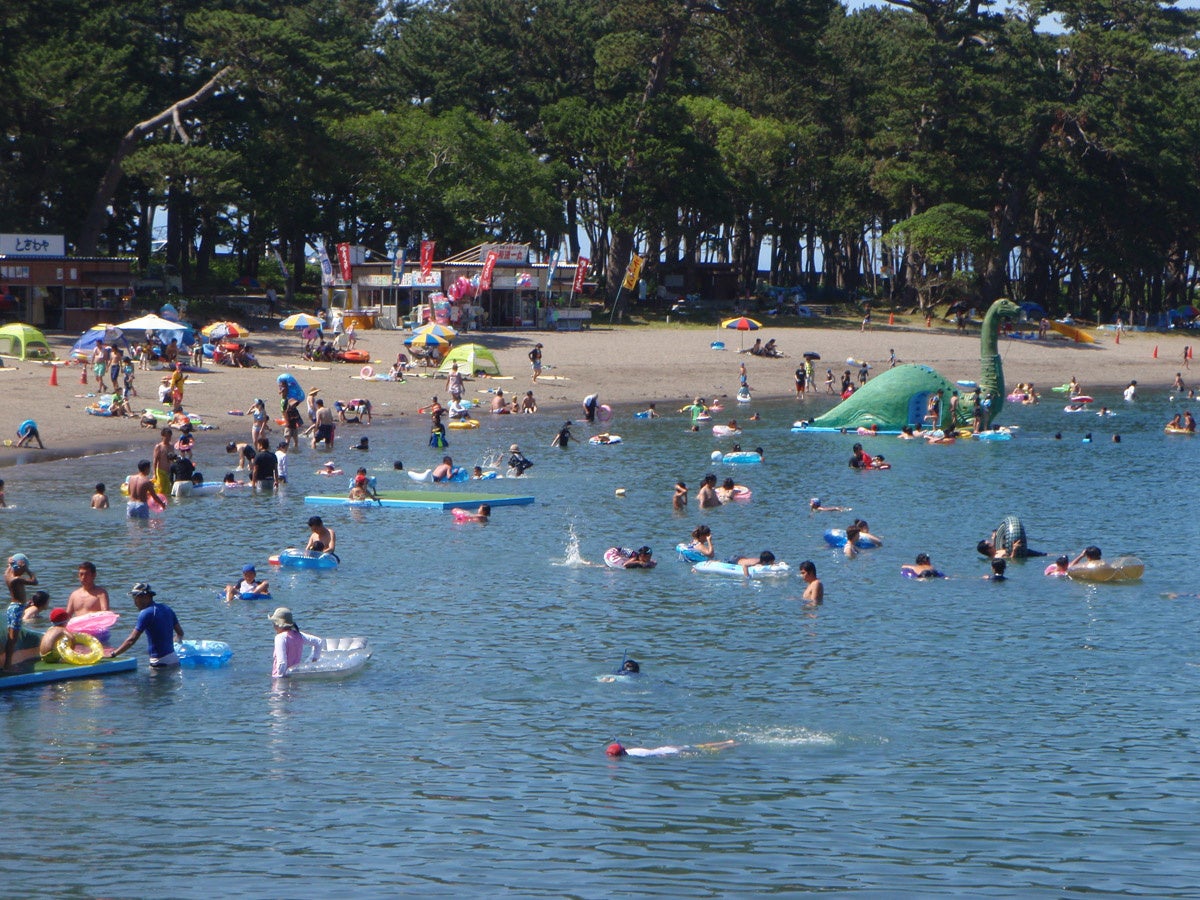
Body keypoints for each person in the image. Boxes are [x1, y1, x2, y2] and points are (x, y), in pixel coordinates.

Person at [107, 582, 184, 668]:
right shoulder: (166, 608)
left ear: (147, 597)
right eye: (134, 597)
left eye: (137, 597)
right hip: (174, 659)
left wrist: (113, 654)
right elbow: (180, 633)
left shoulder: (146, 613)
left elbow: (131, 640)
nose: (135, 601)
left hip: (159, 662)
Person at [268, 607, 323, 678]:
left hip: (282, 680)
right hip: (295, 677)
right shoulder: (299, 635)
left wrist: (279, 680)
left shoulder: (280, 638)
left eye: (274, 623)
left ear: (279, 624)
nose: (273, 626)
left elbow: (282, 663)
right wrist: (313, 662)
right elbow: (318, 642)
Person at [977, 515, 1043, 559]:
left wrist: (995, 538)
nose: (992, 543)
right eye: (990, 544)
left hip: (1025, 552)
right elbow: (1012, 560)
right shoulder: (998, 557)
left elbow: (997, 545)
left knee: (1045, 554)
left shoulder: (996, 551)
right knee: (1043, 555)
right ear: (988, 549)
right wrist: (1014, 549)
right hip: (1021, 554)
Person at [606, 740, 737, 758]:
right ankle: (727, 742)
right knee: (698, 746)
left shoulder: (635, 756)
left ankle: (729, 745)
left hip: (669, 751)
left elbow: (653, 756)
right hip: (666, 748)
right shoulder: (632, 750)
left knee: (703, 751)